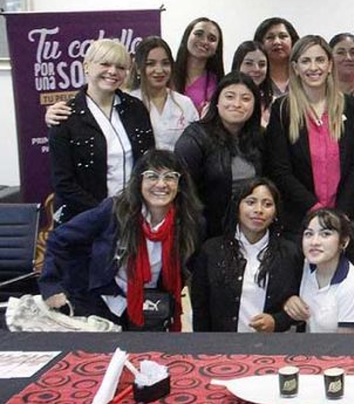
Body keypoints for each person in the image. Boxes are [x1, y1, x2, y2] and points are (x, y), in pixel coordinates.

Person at [39, 149, 202, 331]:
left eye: (170, 177)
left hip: (153, 306)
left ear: (179, 184)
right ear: (139, 181)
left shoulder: (189, 222)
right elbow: (59, 238)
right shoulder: (114, 211)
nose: (161, 184)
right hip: (104, 303)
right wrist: (51, 285)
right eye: (152, 176)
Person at [263, 35, 354, 236]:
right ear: (296, 68)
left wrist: (340, 213)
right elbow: (279, 170)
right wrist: (317, 211)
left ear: (330, 65)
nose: (313, 67)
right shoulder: (283, 109)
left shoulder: (347, 105)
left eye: (320, 60)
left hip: (346, 218)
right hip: (299, 221)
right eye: (306, 61)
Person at [48, 38, 155, 224]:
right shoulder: (64, 116)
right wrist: (105, 213)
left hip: (133, 215)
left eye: (120, 67)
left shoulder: (136, 109)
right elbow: (63, 183)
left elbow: (149, 162)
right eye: (105, 64)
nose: (113, 71)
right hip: (85, 220)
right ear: (86, 66)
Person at [190, 178, 305, 333]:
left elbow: (299, 307)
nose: (259, 210)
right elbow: (200, 308)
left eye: (267, 204)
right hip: (220, 344)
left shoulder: (290, 253)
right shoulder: (211, 250)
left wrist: (276, 322)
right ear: (237, 207)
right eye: (251, 202)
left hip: (272, 345)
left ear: (275, 212)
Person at [175, 74, 264, 240]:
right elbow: (184, 193)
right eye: (229, 97)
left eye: (245, 99)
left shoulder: (260, 138)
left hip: (251, 227)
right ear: (216, 102)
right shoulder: (195, 138)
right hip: (209, 230)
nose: (237, 104)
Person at [284, 209, 354, 333]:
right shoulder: (305, 266)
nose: (314, 242)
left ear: (344, 242)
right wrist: (290, 300)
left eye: (325, 234)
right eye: (309, 234)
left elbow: (348, 342)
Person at [122, 36, 199, 151]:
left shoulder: (184, 103)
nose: (159, 70)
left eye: (165, 63)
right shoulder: (128, 103)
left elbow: (197, 144)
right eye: (150, 64)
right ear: (138, 68)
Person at [173, 16, 224, 114]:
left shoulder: (218, 84)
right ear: (187, 37)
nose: (204, 41)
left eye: (212, 39)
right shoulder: (167, 74)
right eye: (199, 34)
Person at [254, 17, 300, 100]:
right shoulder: (255, 78)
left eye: (283, 36)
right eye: (270, 37)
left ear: (293, 41)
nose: (277, 42)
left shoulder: (303, 76)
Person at [230, 40, 272, 123]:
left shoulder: (273, 103)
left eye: (262, 64)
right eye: (249, 63)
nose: (256, 69)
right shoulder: (224, 99)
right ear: (238, 65)